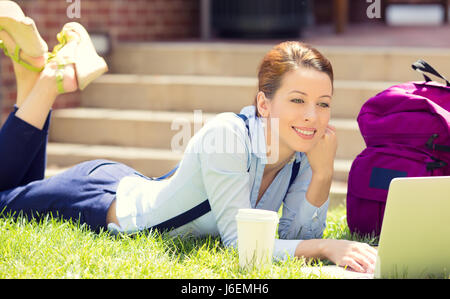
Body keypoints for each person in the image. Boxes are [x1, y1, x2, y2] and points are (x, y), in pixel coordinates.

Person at [0, 1, 377, 273]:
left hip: (126, 180)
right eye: (298, 100)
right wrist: (329, 245)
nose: (313, 116)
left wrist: (323, 174)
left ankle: (30, 72)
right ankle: (51, 80)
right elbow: (244, 248)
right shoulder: (228, 137)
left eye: (323, 103)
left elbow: (297, 234)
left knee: (17, 188)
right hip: (96, 199)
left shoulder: (302, 153)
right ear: (264, 103)